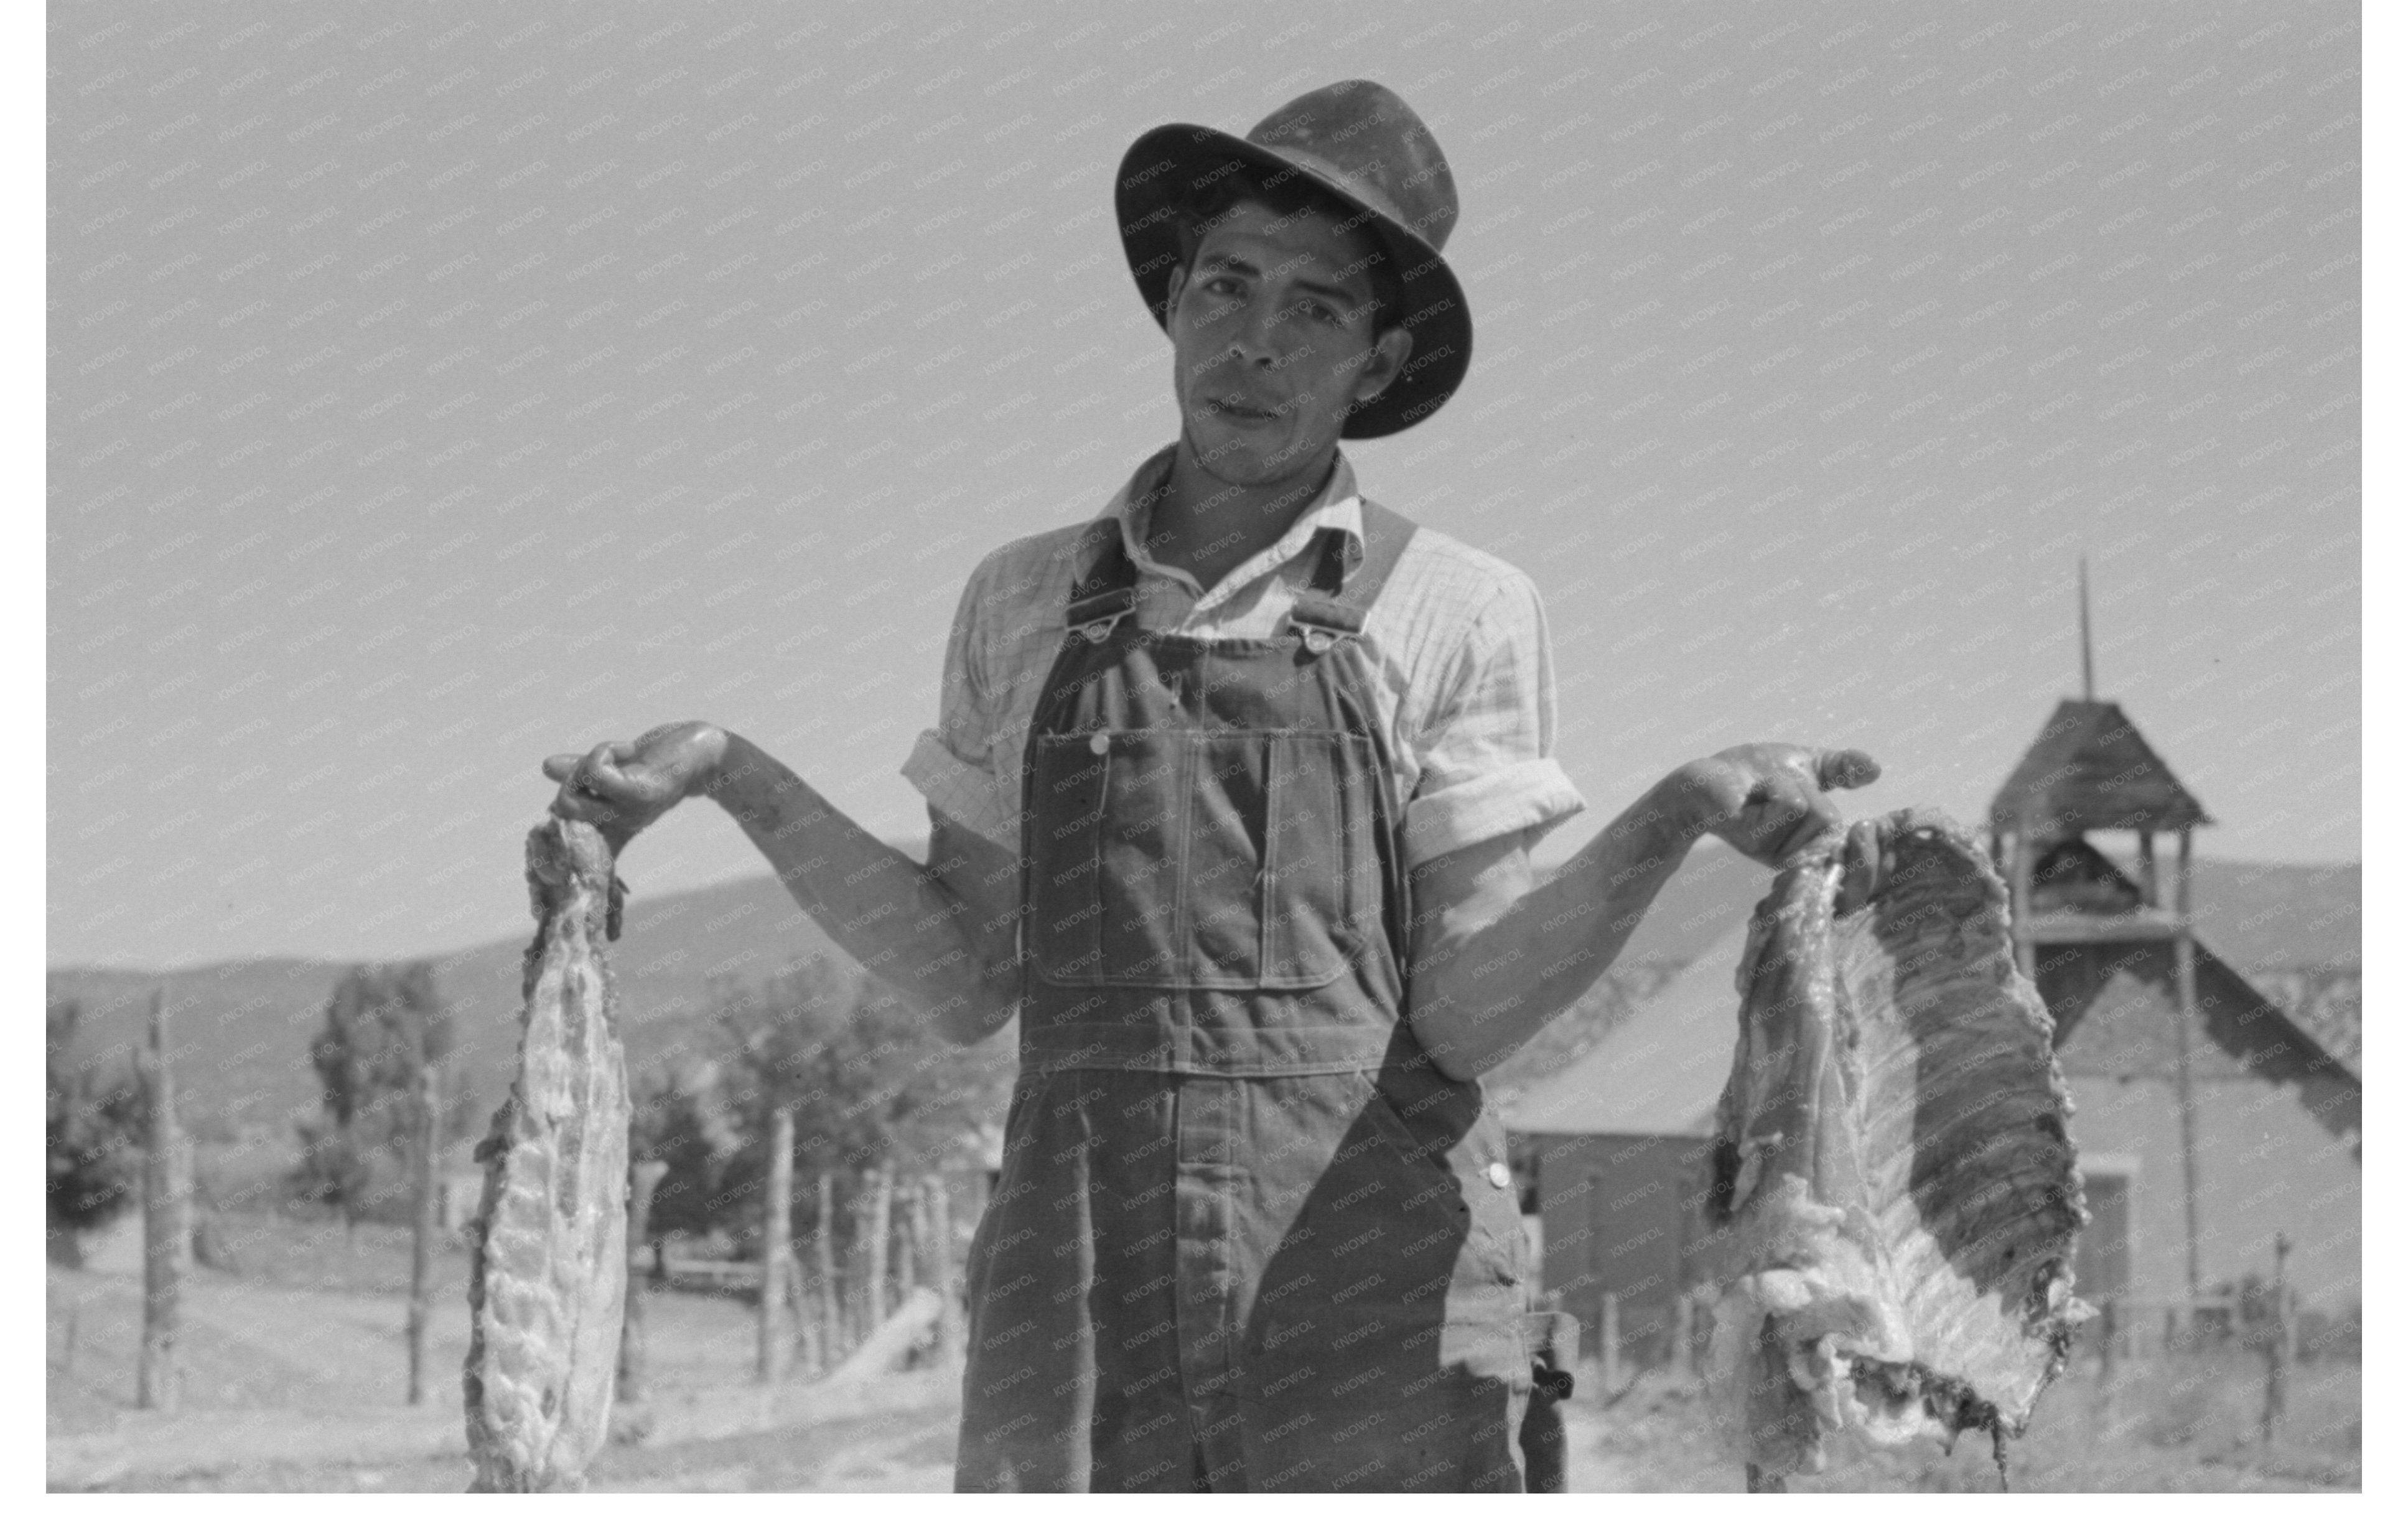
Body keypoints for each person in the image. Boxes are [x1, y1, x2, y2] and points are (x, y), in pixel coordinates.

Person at [544, 79, 1884, 1492]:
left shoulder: (1460, 607)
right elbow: (961, 976)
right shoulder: (1024, 602)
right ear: (1174, 302)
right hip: (1081, 1273)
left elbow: (1465, 1007)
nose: (1256, 341)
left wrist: (1670, 818)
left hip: (1364, 1275)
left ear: (1378, 361)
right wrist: (730, 774)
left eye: (1316, 309)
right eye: (1227, 286)